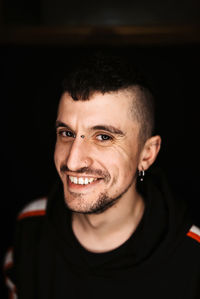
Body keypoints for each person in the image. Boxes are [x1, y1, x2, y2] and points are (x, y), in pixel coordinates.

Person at [4, 52, 200, 299]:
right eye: (66, 133)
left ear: (147, 155)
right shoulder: (30, 227)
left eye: (103, 137)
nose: (73, 161)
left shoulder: (192, 258)